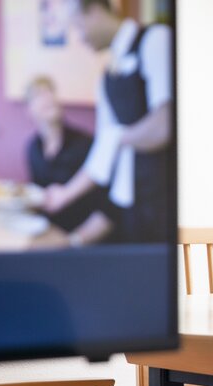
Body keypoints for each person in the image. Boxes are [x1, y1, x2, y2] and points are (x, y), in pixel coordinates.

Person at [42, 0, 173, 244]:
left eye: (78, 26)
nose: (80, 38)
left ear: (94, 10)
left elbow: (164, 126)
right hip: (133, 211)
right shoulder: (105, 80)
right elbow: (103, 152)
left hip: (167, 206)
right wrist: (65, 194)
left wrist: (118, 137)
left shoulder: (156, 40)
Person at [25, 76, 110, 238]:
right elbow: (37, 197)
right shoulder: (32, 149)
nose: (47, 97)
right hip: (46, 234)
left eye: (50, 91)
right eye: (38, 95)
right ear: (29, 110)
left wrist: (75, 240)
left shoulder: (85, 143)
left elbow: (109, 206)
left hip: (81, 237)